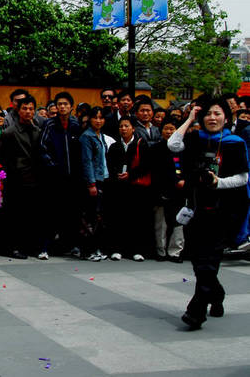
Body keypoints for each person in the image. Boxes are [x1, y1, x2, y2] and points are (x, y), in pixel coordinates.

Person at [171, 99, 249, 329]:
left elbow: (243, 178)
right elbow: (173, 145)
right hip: (196, 208)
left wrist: (218, 183)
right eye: (208, 114)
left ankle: (196, 311)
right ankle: (217, 294)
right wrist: (189, 119)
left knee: (209, 262)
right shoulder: (196, 138)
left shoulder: (236, 143)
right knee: (197, 260)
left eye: (217, 113)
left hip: (223, 211)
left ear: (226, 117)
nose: (212, 118)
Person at [38, 91, 83, 260]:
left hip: (73, 178)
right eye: (60, 104)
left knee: (72, 213)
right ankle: (44, 247)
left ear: (71, 106)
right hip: (54, 178)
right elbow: (42, 148)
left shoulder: (76, 125)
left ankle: (71, 245)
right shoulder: (49, 124)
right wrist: (53, 167)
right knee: (51, 213)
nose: (62, 107)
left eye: (66, 104)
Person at [0, 95, 41, 259]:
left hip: (34, 178)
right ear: (18, 110)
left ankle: (28, 245)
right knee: (14, 215)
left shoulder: (38, 130)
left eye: (31, 109)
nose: (28, 112)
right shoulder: (9, 132)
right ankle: (12, 247)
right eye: (25, 108)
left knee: (29, 215)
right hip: (16, 179)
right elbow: (2, 158)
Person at [105, 116, 152, 262]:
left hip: (135, 188)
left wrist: (130, 174)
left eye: (126, 126)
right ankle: (117, 249)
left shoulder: (141, 144)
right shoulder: (115, 146)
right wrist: (116, 174)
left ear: (133, 128)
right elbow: (109, 164)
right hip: (118, 187)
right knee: (118, 218)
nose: (123, 129)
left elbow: (145, 166)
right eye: (121, 126)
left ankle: (136, 250)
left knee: (136, 219)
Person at [151, 119, 185, 263]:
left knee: (179, 222)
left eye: (172, 129)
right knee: (161, 222)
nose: (169, 132)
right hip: (161, 190)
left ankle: (175, 252)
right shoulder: (156, 148)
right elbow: (154, 171)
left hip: (180, 191)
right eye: (166, 129)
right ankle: (161, 251)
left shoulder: (183, 148)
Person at [79, 107, 108, 261]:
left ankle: (95, 248)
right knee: (89, 216)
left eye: (101, 117)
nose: (98, 121)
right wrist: (91, 183)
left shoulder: (100, 136)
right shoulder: (86, 137)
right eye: (95, 117)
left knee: (97, 217)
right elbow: (87, 161)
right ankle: (87, 250)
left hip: (101, 178)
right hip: (92, 180)